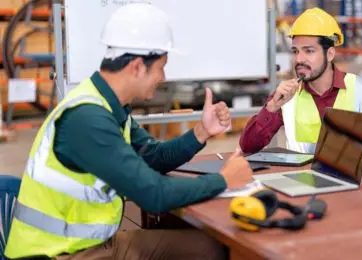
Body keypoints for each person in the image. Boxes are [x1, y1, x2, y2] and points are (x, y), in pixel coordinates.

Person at [5, 3, 252, 259]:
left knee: (207, 248)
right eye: (160, 66)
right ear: (136, 66)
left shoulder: (109, 107)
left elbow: (154, 157)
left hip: (95, 245)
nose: (163, 77)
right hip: (56, 254)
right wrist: (223, 180)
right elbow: (153, 194)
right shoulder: (87, 120)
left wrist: (201, 132)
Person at [239, 7, 362, 154]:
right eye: (295, 51)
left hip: (346, 178)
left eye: (309, 51)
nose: (299, 59)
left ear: (329, 54)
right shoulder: (285, 95)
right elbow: (248, 146)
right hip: (297, 178)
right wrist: (272, 107)